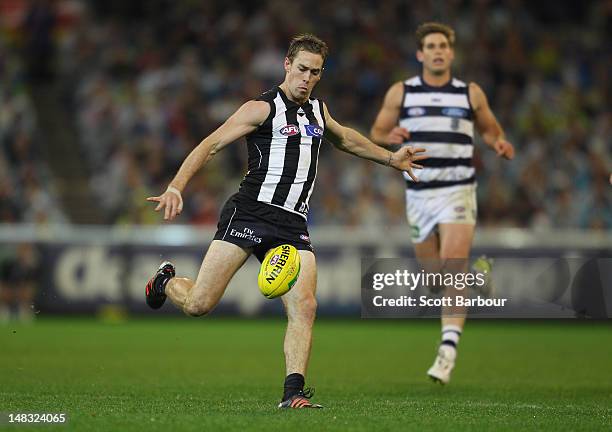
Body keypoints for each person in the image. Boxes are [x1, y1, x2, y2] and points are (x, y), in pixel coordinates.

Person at [145, 34, 427, 408]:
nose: (307, 79)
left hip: (292, 225)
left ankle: (293, 393)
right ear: (286, 65)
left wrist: (391, 159)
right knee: (199, 304)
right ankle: (165, 282)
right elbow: (209, 145)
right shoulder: (261, 109)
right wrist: (176, 187)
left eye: (315, 72)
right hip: (249, 213)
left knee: (305, 305)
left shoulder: (318, 112)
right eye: (302, 69)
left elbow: (347, 140)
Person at [370, 22, 514, 384]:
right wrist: (389, 136)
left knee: (451, 267)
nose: (437, 51)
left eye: (443, 46)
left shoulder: (470, 93)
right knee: (435, 279)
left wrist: (498, 142)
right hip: (419, 193)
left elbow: (489, 128)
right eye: (430, 46)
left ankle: (447, 352)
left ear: (451, 53)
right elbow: (376, 132)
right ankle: (477, 275)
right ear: (420, 54)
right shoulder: (401, 93)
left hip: (457, 190)